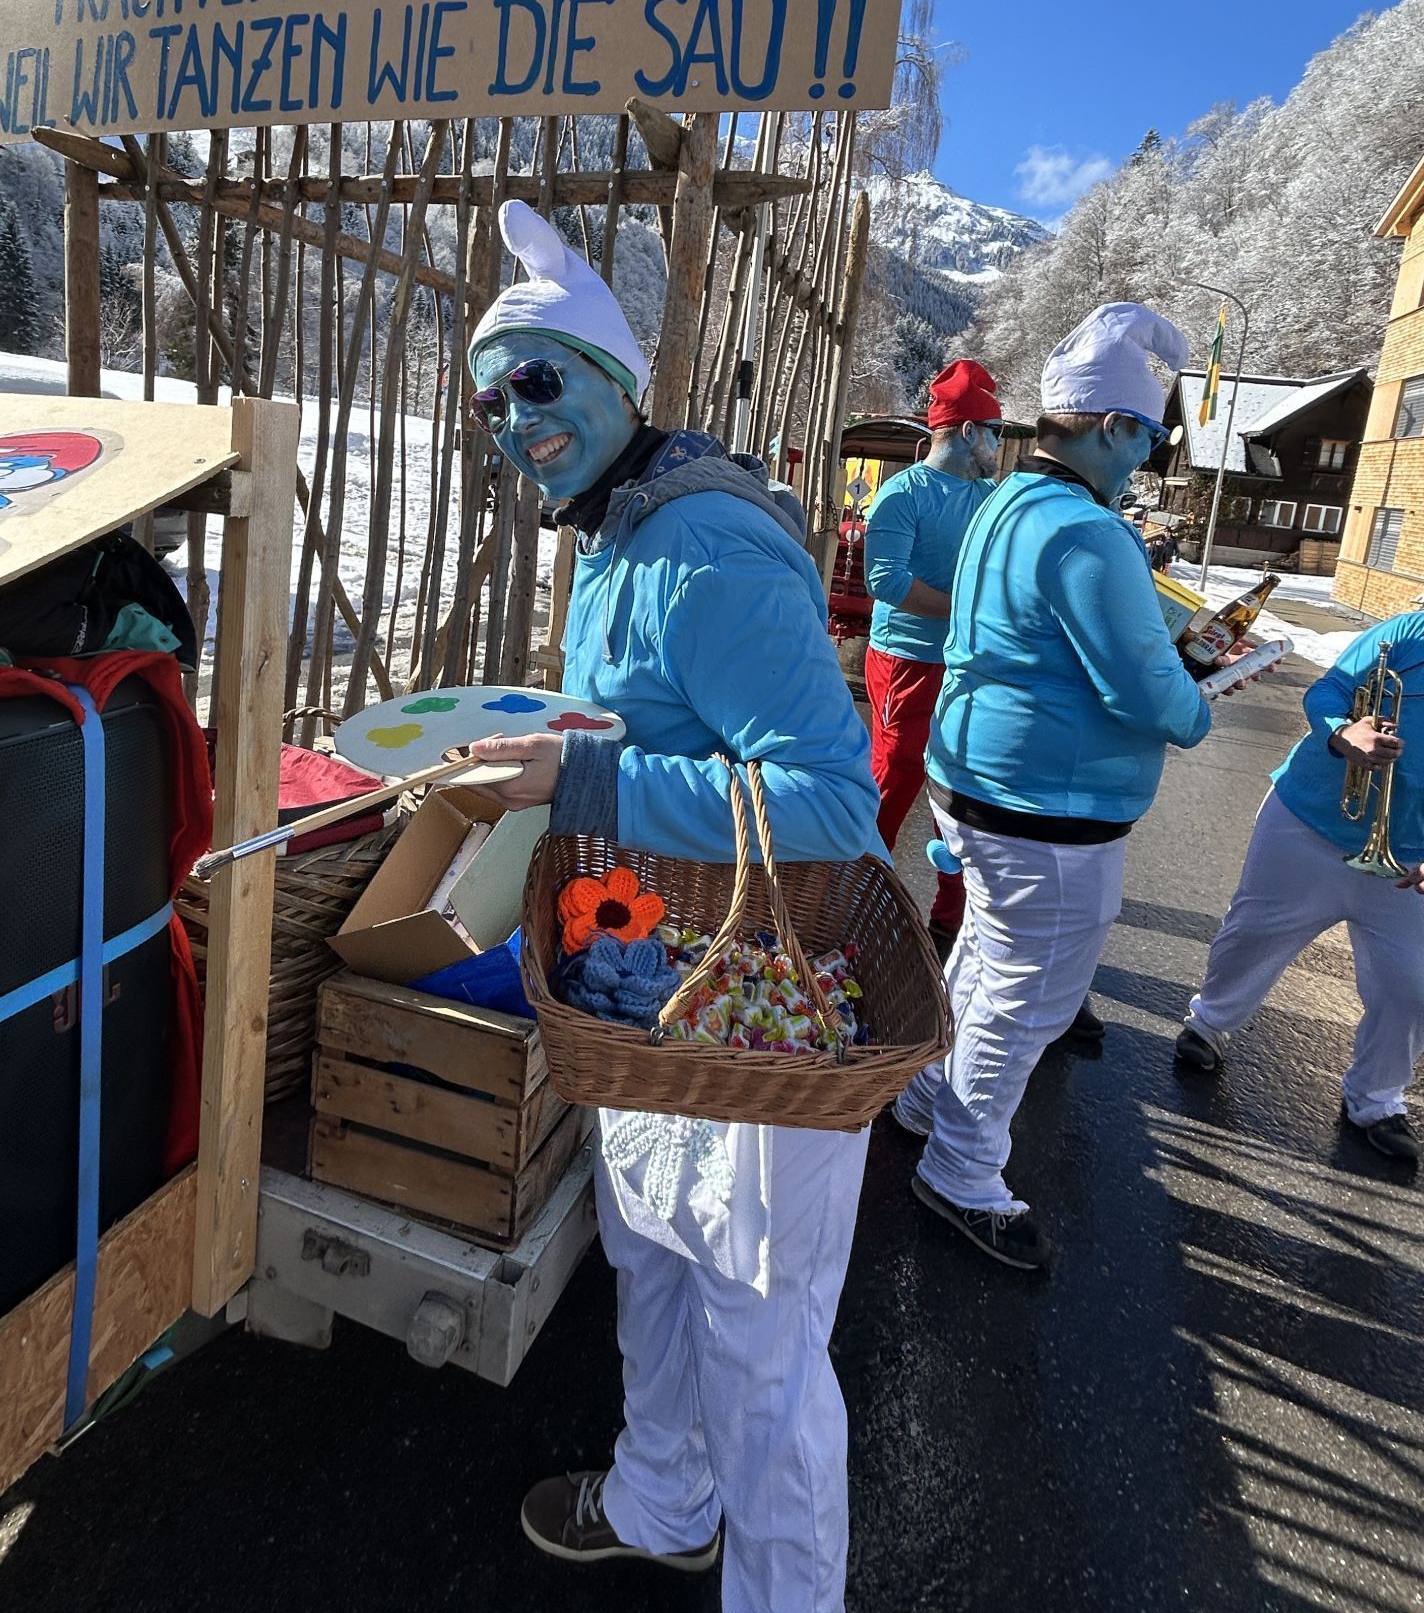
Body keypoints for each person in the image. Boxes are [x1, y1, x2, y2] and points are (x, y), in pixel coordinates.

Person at [464, 200, 884, 1613]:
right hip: (654, 987)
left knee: (762, 1349)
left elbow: (830, 805)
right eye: (491, 396)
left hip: (756, 1018)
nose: (516, 418)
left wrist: (578, 778)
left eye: (539, 380)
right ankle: (658, 1503)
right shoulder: (620, 534)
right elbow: (665, 733)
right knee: (649, 1260)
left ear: (617, 384)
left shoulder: (704, 550)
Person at [891, 303, 1214, 1269]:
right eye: (1149, 437)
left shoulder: (1009, 504)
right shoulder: (1091, 535)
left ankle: (925, 1098)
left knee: (987, 957)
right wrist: (1203, 696)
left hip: (984, 777)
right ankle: (961, 1167)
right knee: (1030, 995)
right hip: (1047, 801)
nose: (1149, 457)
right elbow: (1148, 689)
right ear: (1113, 424)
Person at [1174, 612, 1424, 1165]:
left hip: (1409, 860)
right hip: (1309, 819)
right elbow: (1329, 689)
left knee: (1412, 986)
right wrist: (1343, 730)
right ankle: (1210, 1023)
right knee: (1255, 935)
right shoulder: (1409, 632)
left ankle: (1377, 1098)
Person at [861, 358, 1001, 936]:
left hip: (968, 662)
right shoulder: (904, 493)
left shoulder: (993, 496)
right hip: (905, 660)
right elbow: (885, 581)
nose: (998, 442)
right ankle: (852, 900)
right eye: (993, 430)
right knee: (893, 784)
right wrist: (965, 605)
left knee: (960, 788)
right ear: (967, 430)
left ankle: (950, 918)